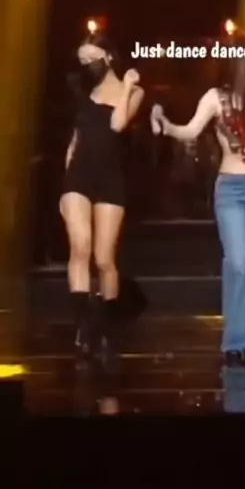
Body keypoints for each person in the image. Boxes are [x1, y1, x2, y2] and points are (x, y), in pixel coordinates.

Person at [150, 43, 245, 366]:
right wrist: (166, 125)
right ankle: (234, 340)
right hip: (231, 189)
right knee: (238, 262)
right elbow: (191, 129)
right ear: (241, 62)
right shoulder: (215, 98)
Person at [60, 32, 144, 366]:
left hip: (110, 179)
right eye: (81, 60)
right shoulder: (82, 91)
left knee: (104, 259)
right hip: (78, 177)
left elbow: (118, 123)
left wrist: (127, 86)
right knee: (79, 246)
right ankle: (83, 329)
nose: (86, 65)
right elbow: (75, 139)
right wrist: (66, 180)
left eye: (91, 58)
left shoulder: (133, 91)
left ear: (107, 56)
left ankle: (106, 327)